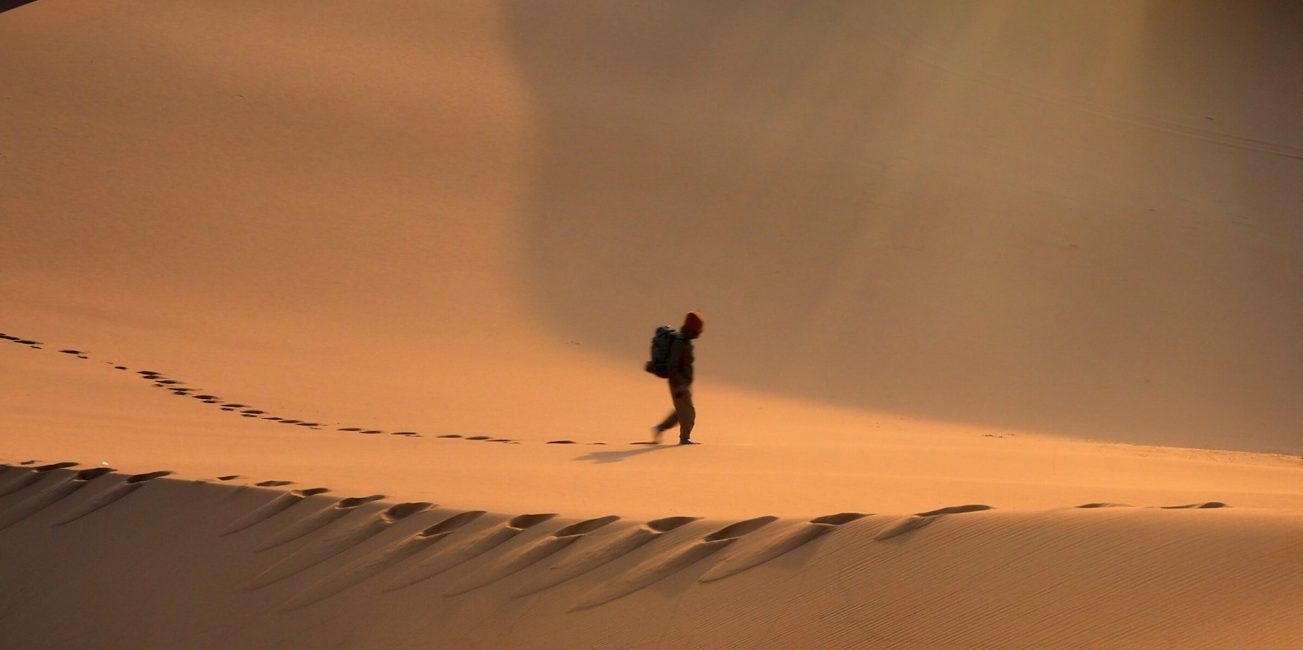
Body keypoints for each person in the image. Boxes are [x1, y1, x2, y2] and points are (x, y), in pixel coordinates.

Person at [652, 311, 703, 445]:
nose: (699, 333)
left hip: (683, 383)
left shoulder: (685, 341)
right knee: (689, 413)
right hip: (679, 384)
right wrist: (679, 384)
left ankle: (660, 428)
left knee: (680, 412)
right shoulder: (680, 343)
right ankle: (684, 438)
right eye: (698, 329)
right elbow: (672, 365)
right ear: (692, 329)